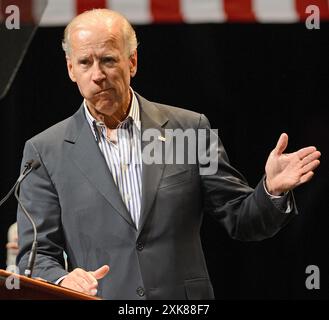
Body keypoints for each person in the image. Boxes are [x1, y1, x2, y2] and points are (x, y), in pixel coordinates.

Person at [16, 9, 321, 300]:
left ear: (132, 62)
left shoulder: (186, 130)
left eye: (108, 60)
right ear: (71, 69)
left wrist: (271, 190)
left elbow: (242, 220)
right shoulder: (46, 152)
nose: (97, 75)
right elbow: (36, 256)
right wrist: (62, 279)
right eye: (85, 62)